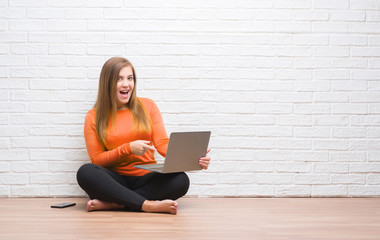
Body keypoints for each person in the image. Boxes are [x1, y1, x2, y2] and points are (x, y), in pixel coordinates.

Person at [76, 57, 211, 215]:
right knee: (86, 172)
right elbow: (97, 159)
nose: (126, 84)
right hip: (114, 181)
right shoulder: (93, 116)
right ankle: (148, 205)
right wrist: (128, 148)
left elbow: (161, 144)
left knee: (181, 180)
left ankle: (118, 203)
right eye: (119, 79)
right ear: (107, 82)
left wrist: (191, 157)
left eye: (130, 78)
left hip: (146, 179)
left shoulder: (148, 105)